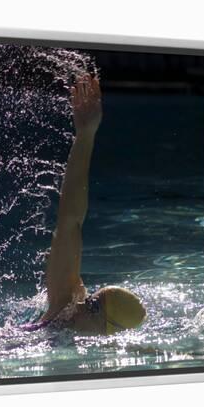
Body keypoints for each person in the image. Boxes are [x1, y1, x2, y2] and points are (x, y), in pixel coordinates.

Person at [23, 73, 146, 335]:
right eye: (90, 301)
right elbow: (70, 221)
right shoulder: (62, 311)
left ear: (108, 330)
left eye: (91, 307)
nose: (82, 305)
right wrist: (85, 135)